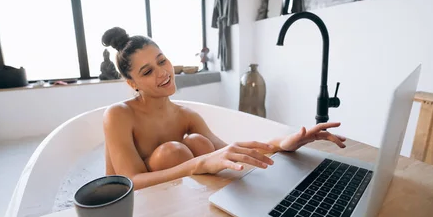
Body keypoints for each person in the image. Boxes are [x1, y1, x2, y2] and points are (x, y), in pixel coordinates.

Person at [102, 27, 346, 190]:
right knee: (173, 152)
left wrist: (283, 144)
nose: (163, 72)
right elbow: (130, 182)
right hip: (130, 208)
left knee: (200, 143)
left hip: (173, 199)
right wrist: (199, 164)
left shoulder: (186, 116)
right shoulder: (119, 115)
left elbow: (228, 152)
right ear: (132, 83)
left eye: (161, 60)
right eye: (147, 71)